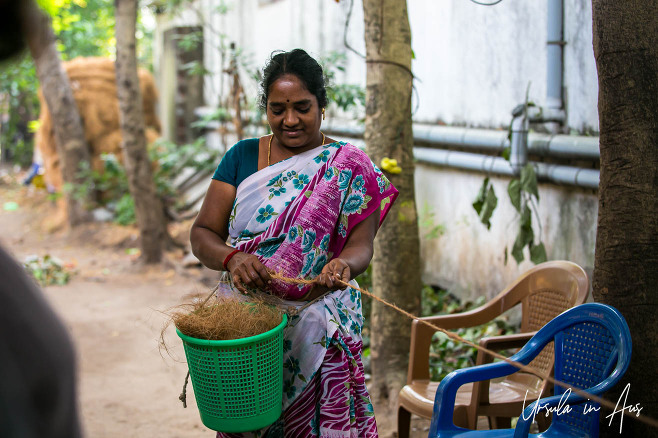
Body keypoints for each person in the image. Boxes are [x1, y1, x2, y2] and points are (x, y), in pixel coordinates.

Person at [190, 48, 398, 437]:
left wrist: (344, 265)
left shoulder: (350, 164)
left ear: (322, 105)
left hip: (319, 318)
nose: (289, 120)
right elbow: (202, 234)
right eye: (277, 109)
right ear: (265, 108)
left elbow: (360, 245)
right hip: (248, 327)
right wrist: (232, 258)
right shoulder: (242, 157)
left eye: (302, 107)